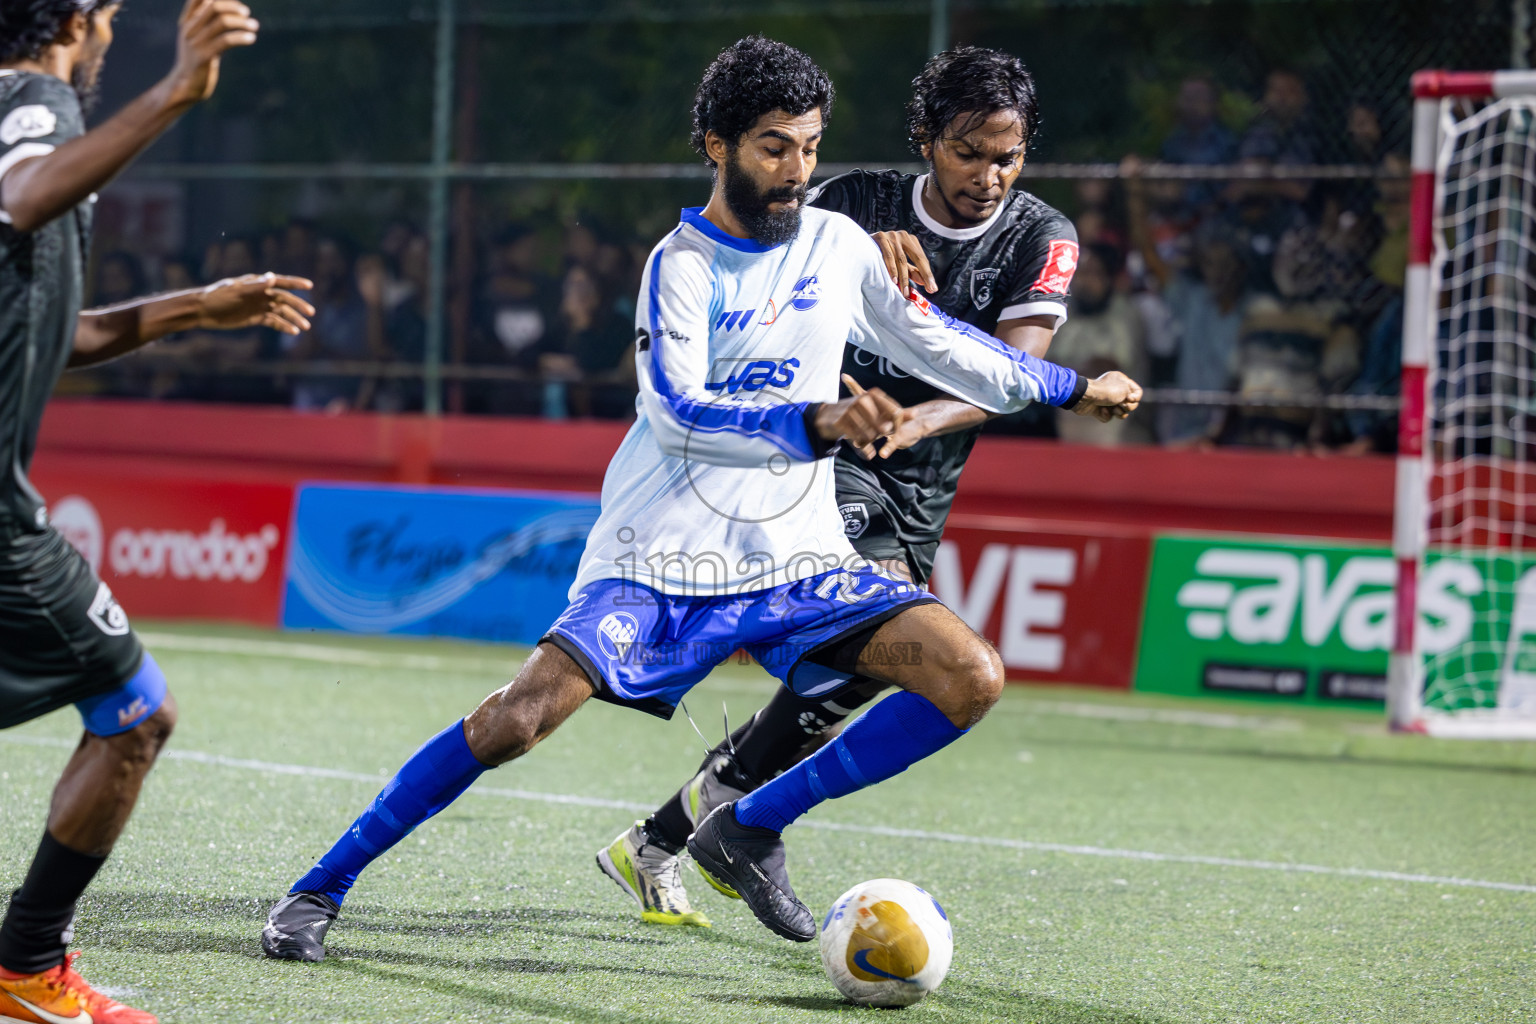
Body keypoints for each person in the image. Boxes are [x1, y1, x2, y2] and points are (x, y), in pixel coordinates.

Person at [261, 35, 1140, 960]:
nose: (797, 168)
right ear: (716, 143)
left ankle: (747, 824)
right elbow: (678, 413)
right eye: (773, 145)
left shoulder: (839, 244)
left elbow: (946, 347)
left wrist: (1069, 388)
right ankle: (317, 891)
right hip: (663, 555)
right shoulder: (679, 266)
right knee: (515, 722)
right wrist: (816, 424)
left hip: (796, 558)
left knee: (970, 675)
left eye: (809, 145)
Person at [592, 44, 1091, 929]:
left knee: (842, 680)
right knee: (869, 645)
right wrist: (858, 250)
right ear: (927, 142)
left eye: (1008, 156)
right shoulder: (847, 202)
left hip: (921, 478)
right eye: (970, 152)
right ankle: (741, 831)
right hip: (820, 462)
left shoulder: (1041, 237)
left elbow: (1012, 372)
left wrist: (915, 420)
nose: (989, 175)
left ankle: (669, 836)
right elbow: (769, 255)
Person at [0, 3, 314, 1022]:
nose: (108, 40)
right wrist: (176, 91)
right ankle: (27, 967)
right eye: (110, 20)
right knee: (136, 711)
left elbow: (57, 325)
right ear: (79, 21)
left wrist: (190, 305)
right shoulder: (37, 107)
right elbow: (20, 199)